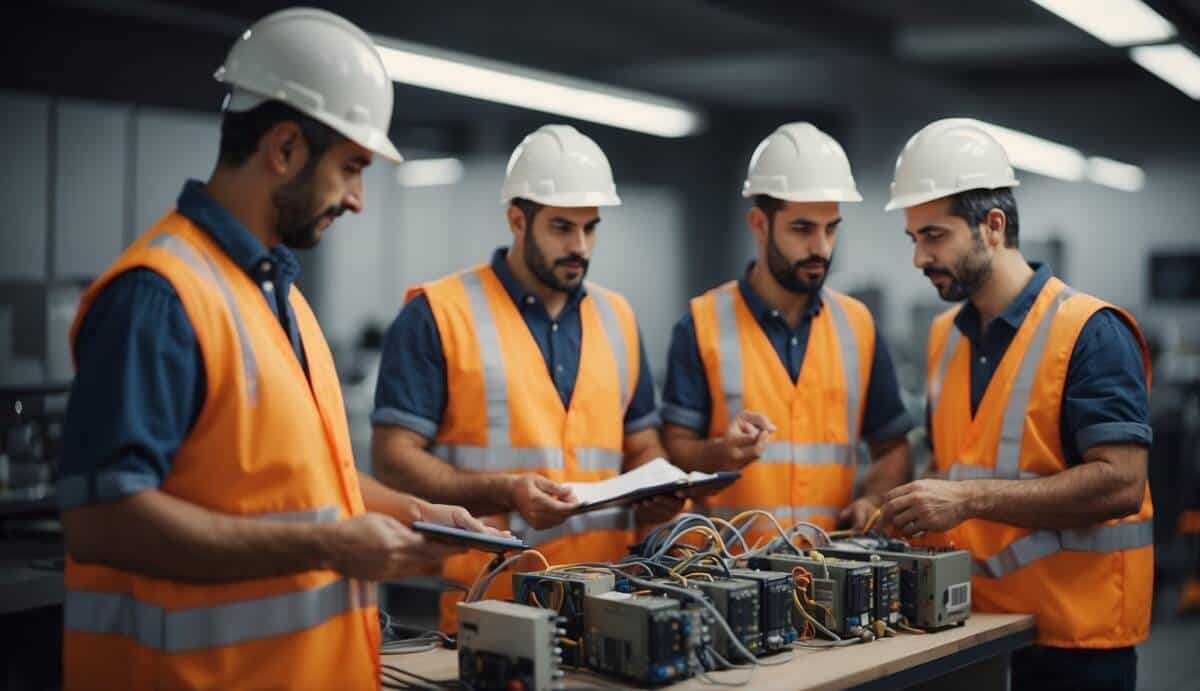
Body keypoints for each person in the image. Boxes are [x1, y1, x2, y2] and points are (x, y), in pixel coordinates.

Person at [58, 9, 494, 689]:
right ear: (285, 148)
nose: (357, 200)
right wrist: (327, 545)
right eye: (351, 167)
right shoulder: (158, 297)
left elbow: (308, 492)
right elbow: (102, 522)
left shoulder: (281, 297)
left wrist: (413, 513)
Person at [371, 124, 682, 631]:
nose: (580, 245)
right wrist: (506, 490)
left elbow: (642, 443)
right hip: (492, 604)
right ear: (518, 220)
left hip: (609, 600)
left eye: (591, 227)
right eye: (562, 227)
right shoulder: (438, 313)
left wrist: (659, 483)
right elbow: (393, 462)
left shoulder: (618, 317)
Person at [881, 118, 1153, 691]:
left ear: (992, 226)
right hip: (969, 627)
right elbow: (953, 463)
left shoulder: (1090, 331)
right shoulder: (942, 337)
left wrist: (966, 498)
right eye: (913, 239)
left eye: (934, 236)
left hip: (1072, 643)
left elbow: (1122, 484)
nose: (919, 258)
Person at [662, 122, 913, 547]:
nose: (821, 248)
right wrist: (722, 451)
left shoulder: (858, 325)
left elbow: (892, 446)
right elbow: (675, 451)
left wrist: (873, 497)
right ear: (760, 225)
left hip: (830, 576)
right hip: (729, 576)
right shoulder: (701, 323)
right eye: (802, 229)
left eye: (831, 228)